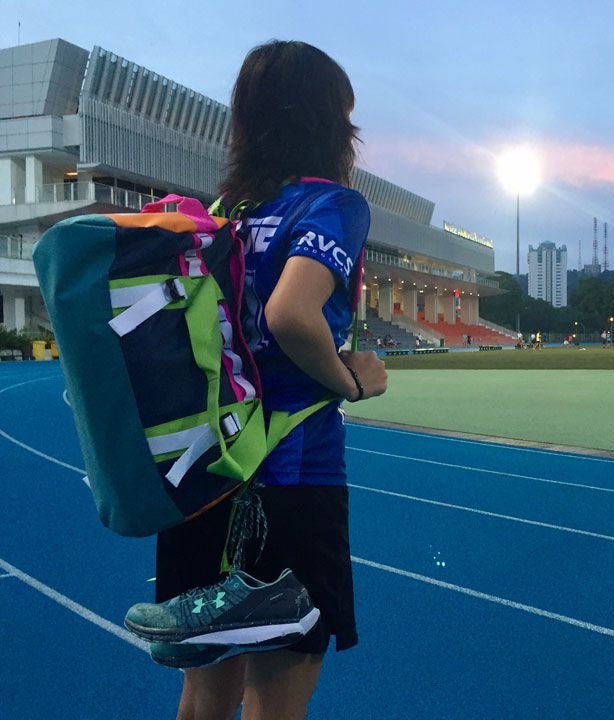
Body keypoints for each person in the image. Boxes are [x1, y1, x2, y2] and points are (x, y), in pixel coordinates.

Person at [154, 41, 387, 720]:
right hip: (293, 479)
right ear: (330, 123)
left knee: (203, 696)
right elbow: (291, 314)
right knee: (276, 704)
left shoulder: (222, 214)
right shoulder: (332, 205)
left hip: (208, 474)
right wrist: (351, 380)